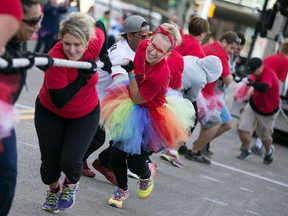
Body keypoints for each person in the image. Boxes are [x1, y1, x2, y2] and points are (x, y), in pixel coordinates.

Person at [100, 23, 194, 208]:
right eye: (152, 45)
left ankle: (146, 175)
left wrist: (132, 72)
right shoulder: (143, 46)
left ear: (167, 54)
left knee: (135, 163)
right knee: (117, 153)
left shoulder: (161, 75)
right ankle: (122, 189)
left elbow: (137, 98)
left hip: (150, 114)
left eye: (160, 51)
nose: (152, 51)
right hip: (131, 103)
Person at [34, 12, 105, 213]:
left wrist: (105, 55)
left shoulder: (95, 41)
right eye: (67, 44)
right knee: (49, 168)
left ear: (87, 41)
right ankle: (53, 188)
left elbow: (100, 26)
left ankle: (70, 186)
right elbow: (60, 101)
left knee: (71, 162)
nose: (72, 50)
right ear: (61, 39)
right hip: (51, 111)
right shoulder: (56, 59)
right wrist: (83, 77)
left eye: (77, 45)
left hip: (85, 113)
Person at [82, 15, 151, 182]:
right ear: (129, 35)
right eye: (143, 36)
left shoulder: (137, 49)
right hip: (98, 98)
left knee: (131, 132)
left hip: (112, 98)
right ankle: (75, 160)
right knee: (99, 138)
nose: (147, 39)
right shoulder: (120, 54)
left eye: (149, 35)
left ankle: (102, 161)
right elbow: (121, 83)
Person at [0, 1, 41, 215]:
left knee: (7, 176)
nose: (37, 26)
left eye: (39, 19)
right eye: (33, 21)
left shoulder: (18, 40)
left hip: (3, 115)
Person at [184, 31, 238, 164]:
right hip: (204, 93)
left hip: (199, 89)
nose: (231, 51)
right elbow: (227, 79)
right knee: (216, 123)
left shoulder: (208, 46)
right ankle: (195, 150)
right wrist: (232, 76)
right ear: (224, 42)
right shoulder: (222, 54)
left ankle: (193, 146)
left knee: (200, 122)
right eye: (231, 48)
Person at [160, 55, 223, 168]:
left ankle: (171, 147)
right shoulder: (201, 78)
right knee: (191, 120)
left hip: (165, 82)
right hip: (173, 91)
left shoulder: (193, 59)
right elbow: (192, 98)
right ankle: (172, 151)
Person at [161, 16, 209, 162]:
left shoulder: (179, 38)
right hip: (178, 86)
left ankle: (174, 146)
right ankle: (173, 148)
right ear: (202, 34)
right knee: (191, 118)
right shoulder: (198, 50)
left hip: (164, 78)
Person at [237, 58, 280, 165]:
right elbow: (250, 79)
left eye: (254, 71)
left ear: (261, 67)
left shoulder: (268, 73)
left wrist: (252, 83)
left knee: (264, 137)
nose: (253, 74)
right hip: (254, 105)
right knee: (242, 128)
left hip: (268, 110)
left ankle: (269, 151)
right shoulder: (255, 73)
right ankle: (247, 150)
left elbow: (264, 88)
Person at [250, 42, 288, 154]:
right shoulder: (285, 62)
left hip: (258, 89)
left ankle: (248, 143)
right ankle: (259, 145)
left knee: (253, 119)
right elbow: (280, 81)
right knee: (266, 124)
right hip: (270, 93)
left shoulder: (272, 57)